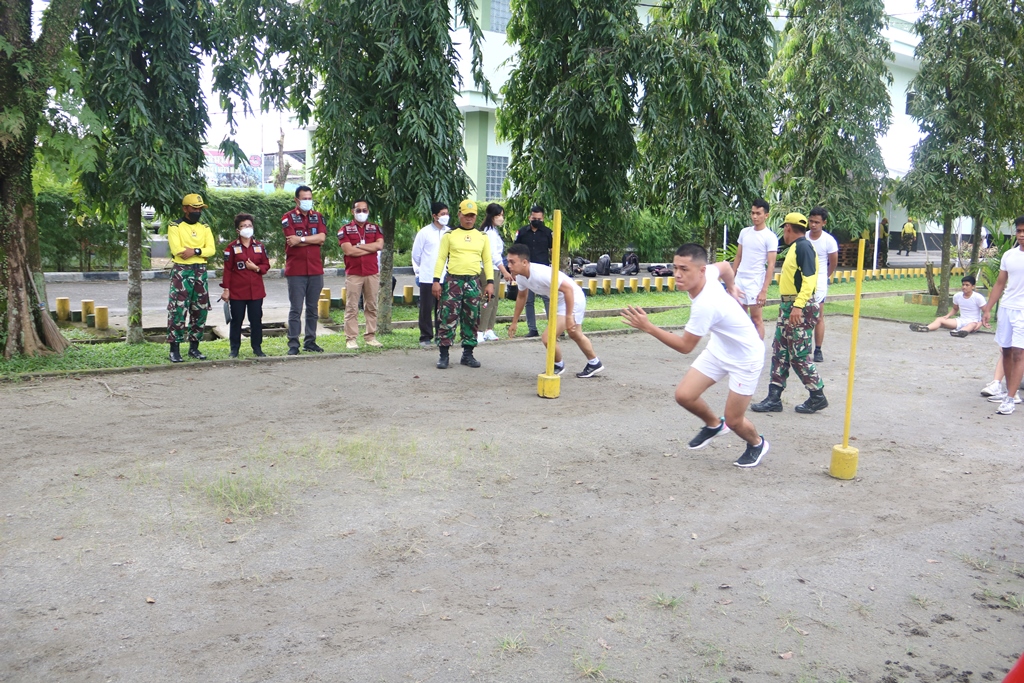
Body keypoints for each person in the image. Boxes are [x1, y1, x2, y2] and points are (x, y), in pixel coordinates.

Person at [621, 244, 769, 467]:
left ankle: (757, 443)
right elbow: (726, 267)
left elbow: (685, 346)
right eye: (675, 268)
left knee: (734, 419)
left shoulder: (705, 305)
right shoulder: (707, 273)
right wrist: (732, 287)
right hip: (720, 348)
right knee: (684, 395)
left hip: (746, 358)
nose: (678, 275)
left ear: (700, 271)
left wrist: (649, 327)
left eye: (684, 269)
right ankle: (714, 425)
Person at [751, 212, 829, 414]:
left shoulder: (803, 247)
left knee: (799, 355)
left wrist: (798, 305)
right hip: (789, 305)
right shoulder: (796, 247)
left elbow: (809, 279)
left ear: (787, 227)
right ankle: (774, 397)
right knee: (780, 351)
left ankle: (817, 395)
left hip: (798, 306)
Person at [506, 244, 604, 378]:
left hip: (573, 297)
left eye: (512, 262)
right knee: (575, 333)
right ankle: (594, 363)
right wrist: (514, 322)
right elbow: (522, 297)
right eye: (508, 261)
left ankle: (558, 365)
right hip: (559, 300)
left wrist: (569, 316)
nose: (509, 265)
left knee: (548, 338)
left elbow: (568, 290)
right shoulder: (520, 276)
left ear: (524, 262)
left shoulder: (541, 274)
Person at [432, 200, 494, 369]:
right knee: (447, 316)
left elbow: (487, 260)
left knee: (472, 317)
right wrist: (436, 281)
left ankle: (468, 354)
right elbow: (441, 259)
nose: (469, 219)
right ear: (459, 214)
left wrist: (490, 282)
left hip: (473, 282)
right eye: (466, 215)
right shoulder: (450, 236)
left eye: (472, 215)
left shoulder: (482, 237)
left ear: (476, 216)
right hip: (453, 281)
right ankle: (444, 355)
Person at [981, 216, 1024, 415]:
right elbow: (1000, 283)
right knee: (1006, 351)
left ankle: (1009, 399)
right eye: (1019, 231)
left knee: (1019, 353)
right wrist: (988, 308)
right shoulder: (1009, 255)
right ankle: (1011, 392)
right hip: (1007, 308)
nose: (1021, 235)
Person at [166, 193, 215, 363]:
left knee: (200, 309)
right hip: (182, 271)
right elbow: (177, 249)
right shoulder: (175, 226)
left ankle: (194, 348)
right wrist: (198, 251)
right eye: (194, 208)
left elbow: (211, 250)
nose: (197, 211)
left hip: (200, 270)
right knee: (178, 309)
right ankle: (174, 349)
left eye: (200, 208)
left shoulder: (205, 228)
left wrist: (195, 251)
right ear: (185, 208)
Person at [282, 186, 328, 355]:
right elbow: (291, 241)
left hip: (315, 270)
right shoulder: (288, 217)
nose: (308, 201)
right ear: (297, 200)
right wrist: (312, 240)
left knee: (312, 308)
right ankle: (293, 344)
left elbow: (322, 238)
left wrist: (301, 239)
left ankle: (310, 341)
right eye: (304, 198)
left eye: (310, 198)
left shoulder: (318, 217)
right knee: (296, 309)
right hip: (296, 271)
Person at [219, 213, 270, 358]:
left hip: (256, 291)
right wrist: (226, 290)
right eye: (243, 226)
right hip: (237, 291)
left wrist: (257, 268)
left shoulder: (259, 246)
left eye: (249, 225)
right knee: (237, 321)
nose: (247, 228)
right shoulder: (231, 248)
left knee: (256, 320)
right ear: (238, 230)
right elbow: (227, 270)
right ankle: (234, 349)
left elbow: (266, 264)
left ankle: (257, 348)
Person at [338, 199, 384, 349]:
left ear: (368, 212)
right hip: (354, 273)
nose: (362, 213)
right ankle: (351, 338)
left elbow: (379, 245)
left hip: (372, 272)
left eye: (365, 210)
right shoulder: (345, 229)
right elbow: (348, 250)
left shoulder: (375, 228)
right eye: (359, 210)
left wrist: (359, 246)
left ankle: (370, 336)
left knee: (371, 305)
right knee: (352, 306)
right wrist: (368, 248)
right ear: (353, 212)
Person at [732, 198, 778, 340]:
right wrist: (731, 281)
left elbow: (771, 265)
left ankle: (757, 353)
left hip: (755, 281)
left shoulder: (770, 237)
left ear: (766, 215)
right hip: (740, 279)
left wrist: (764, 290)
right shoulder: (744, 232)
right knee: (738, 318)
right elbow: (738, 257)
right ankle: (741, 349)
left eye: (758, 213)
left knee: (756, 319)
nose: (754, 216)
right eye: (752, 213)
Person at [411, 202, 450, 348]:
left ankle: (441, 335)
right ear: (435, 216)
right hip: (428, 276)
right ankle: (425, 335)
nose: (445, 217)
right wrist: (424, 268)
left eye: (447, 213)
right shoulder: (424, 232)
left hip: (445, 275)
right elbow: (416, 254)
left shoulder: (449, 232)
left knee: (443, 307)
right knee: (426, 307)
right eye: (442, 214)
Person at [513, 205, 553, 337]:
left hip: (543, 271)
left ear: (543, 218)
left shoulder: (548, 233)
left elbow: (553, 250)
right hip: (526, 271)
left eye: (539, 219)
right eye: (534, 218)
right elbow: (515, 250)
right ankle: (532, 329)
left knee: (548, 299)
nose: (536, 220)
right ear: (530, 217)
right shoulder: (522, 232)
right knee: (528, 300)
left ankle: (553, 327)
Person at [478, 203, 514, 343]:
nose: (501, 218)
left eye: (502, 216)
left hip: (496, 269)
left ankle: (489, 329)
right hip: (489, 269)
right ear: (492, 216)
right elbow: (494, 256)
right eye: (499, 215)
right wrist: (505, 271)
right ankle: (480, 330)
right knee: (487, 299)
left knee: (494, 301)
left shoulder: (494, 231)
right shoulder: (489, 233)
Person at [807, 206, 839, 362]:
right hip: (803, 279)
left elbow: (833, 262)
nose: (813, 225)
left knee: (818, 316)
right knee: (802, 315)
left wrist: (825, 277)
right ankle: (803, 348)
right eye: (811, 221)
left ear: (823, 223)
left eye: (817, 222)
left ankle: (818, 349)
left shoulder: (828, 240)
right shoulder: (803, 237)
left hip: (819, 280)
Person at [909, 274, 985, 337]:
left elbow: (986, 312)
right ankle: (925, 328)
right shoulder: (957, 296)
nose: (964, 287)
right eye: (963, 285)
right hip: (960, 320)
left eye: (967, 285)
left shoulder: (978, 297)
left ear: (973, 286)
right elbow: (955, 309)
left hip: (974, 322)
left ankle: (961, 332)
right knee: (940, 319)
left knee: (971, 325)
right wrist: (947, 316)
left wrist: (980, 323)